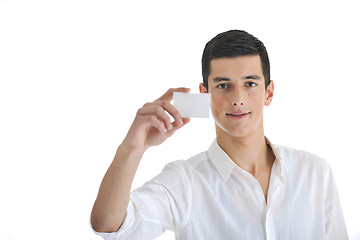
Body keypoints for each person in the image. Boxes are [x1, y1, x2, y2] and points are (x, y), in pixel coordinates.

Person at [90, 30, 348, 239]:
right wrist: (132, 149)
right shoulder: (186, 182)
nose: (238, 99)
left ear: (269, 93)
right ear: (205, 93)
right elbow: (110, 226)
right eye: (223, 86)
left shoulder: (316, 172)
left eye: (250, 84)